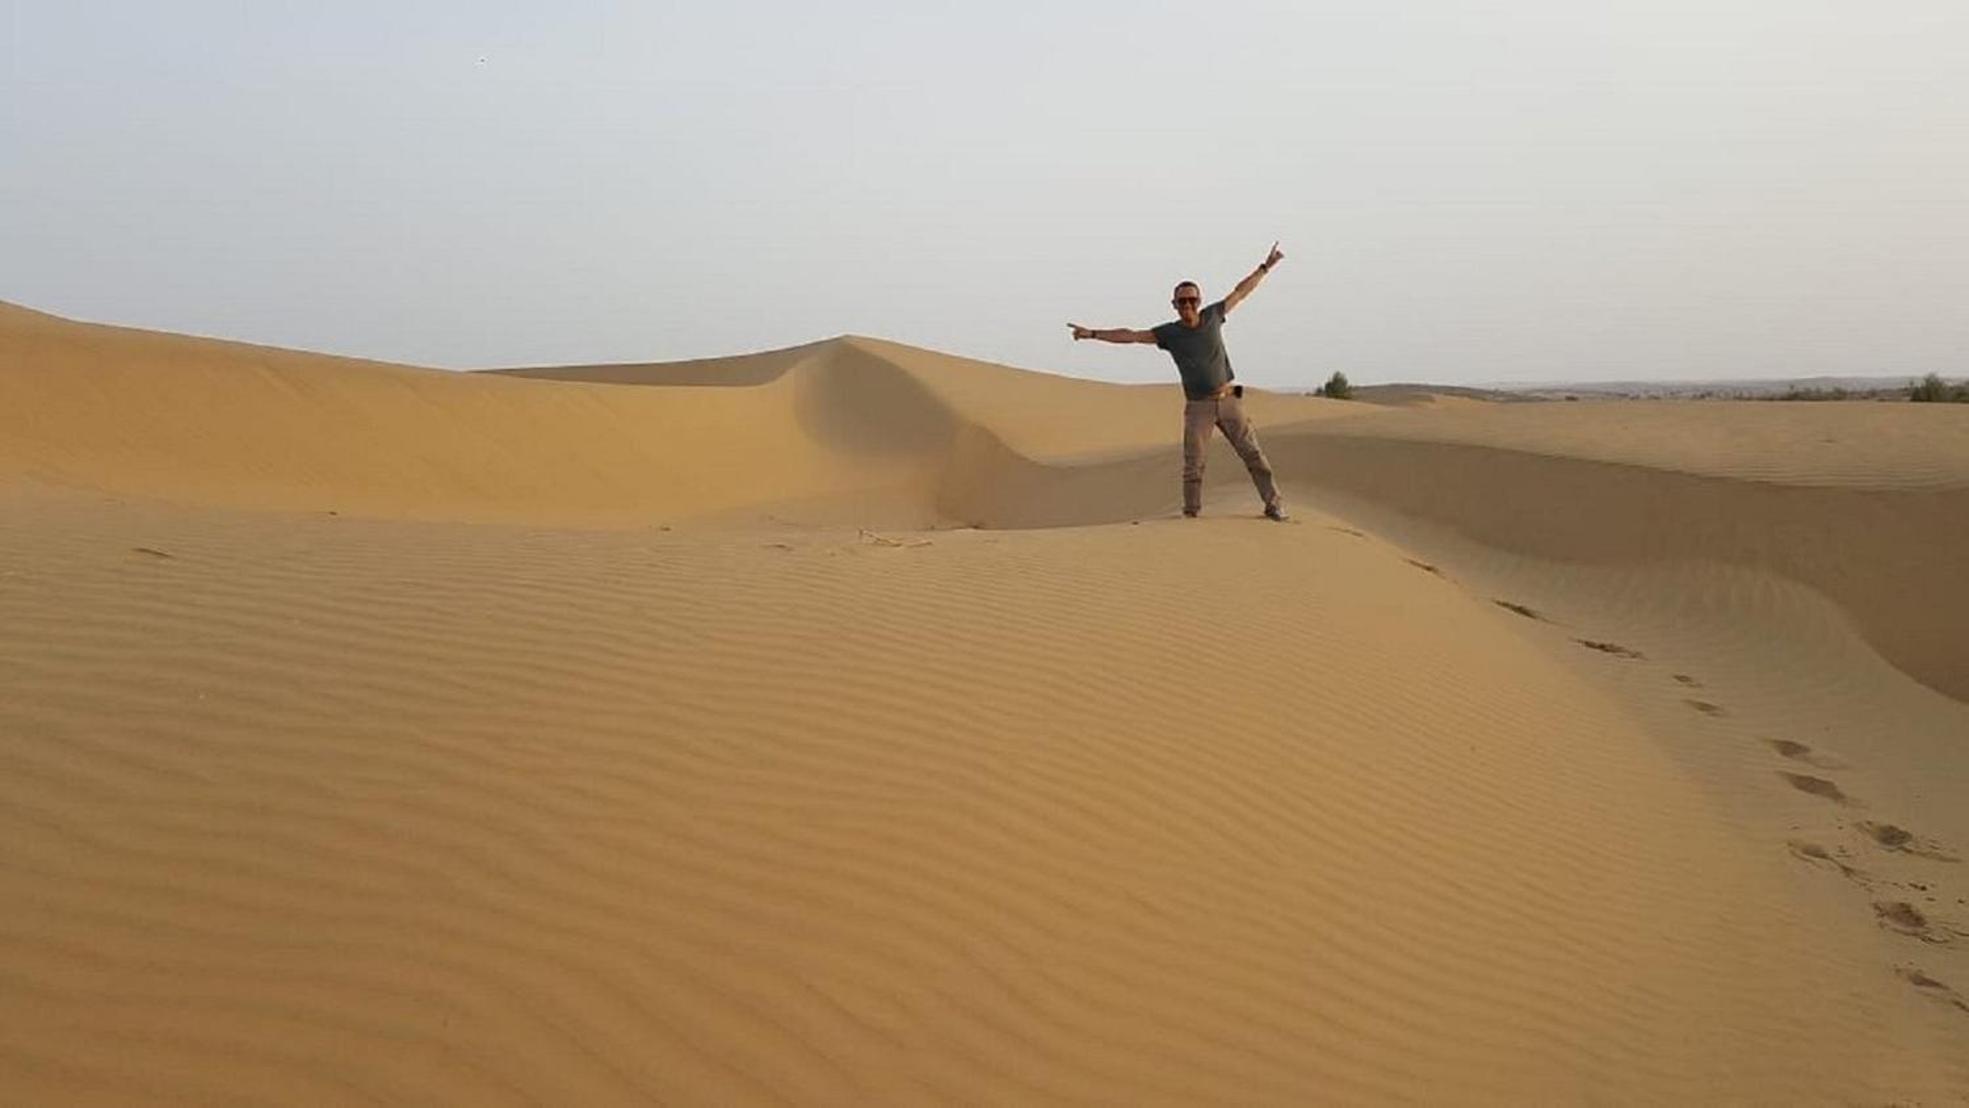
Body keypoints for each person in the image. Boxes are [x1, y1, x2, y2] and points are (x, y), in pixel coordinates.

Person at [1069, 244, 1289, 520]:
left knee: (1253, 455)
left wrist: (1265, 267)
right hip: (1198, 407)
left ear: (1199, 301)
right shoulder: (1169, 334)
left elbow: (1241, 292)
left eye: (1191, 300)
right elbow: (1132, 336)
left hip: (1229, 400)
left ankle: (1274, 504)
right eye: (1181, 301)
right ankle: (1191, 514)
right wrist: (1092, 333)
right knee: (1193, 465)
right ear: (1174, 305)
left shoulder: (1213, 316)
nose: (1187, 305)